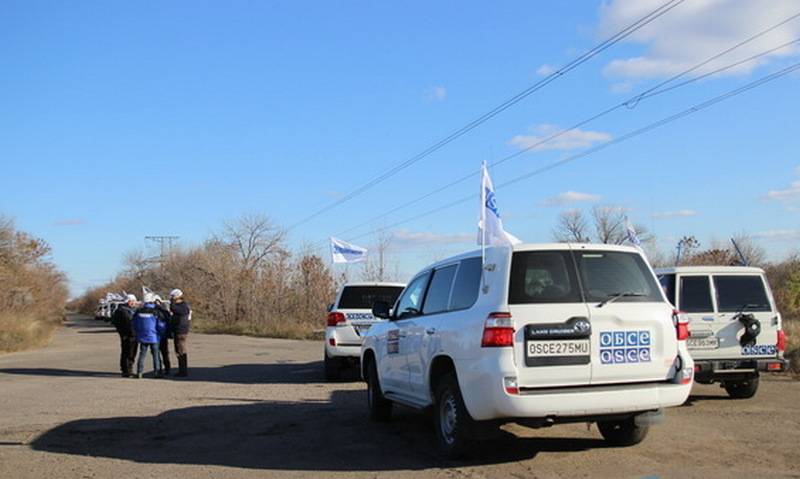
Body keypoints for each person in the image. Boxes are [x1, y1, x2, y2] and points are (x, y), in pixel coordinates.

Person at [133, 293, 165, 378]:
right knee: (156, 355)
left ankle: (139, 372)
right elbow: (161, 325)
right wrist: (161, 333)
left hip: (142, 336)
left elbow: (134, 324)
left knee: (142, 354)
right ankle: (157, 372)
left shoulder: (138, 311)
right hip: (154, 337)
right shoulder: (156, 312)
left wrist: (138, 332)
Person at [111, 294, 138, 377]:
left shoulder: (134, 310)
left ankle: (129, 368)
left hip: (134, 335)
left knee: (132, 352)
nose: (133, 303)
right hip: (126, 335)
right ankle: (126, 370)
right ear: (127, 301)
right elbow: (116, 323)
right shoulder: (120, 310)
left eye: (134, 301)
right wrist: (122, 333)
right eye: (131, 301)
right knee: (126, 352)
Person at [169, 289, 192, 377]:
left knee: (181, 350)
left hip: (181, 331)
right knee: (179, 350)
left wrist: (172, 302)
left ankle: (183, 370)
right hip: (179, 330)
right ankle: (182, 369)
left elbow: (174, 309)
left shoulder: (183, 306)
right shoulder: (182, 305)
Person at [154, 296, 172, 375]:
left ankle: (159, 368)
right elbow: (169, 323)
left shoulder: (152, 311)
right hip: (163, 335)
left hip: (155, 335)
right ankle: (167, 368)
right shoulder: (165, 312)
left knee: (156, 353)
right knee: (164, 352)